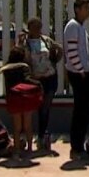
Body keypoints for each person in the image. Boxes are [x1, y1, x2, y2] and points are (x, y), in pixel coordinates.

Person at [18, 17, 61, 153]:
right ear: (29, 28)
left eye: (39, 27)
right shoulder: (25, 43)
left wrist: (58, 52)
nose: (37, 30)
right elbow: (19, 55)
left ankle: (42, 135)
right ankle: (27, 136)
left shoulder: (46, 40)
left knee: (45, 108)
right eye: (34, 27)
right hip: (34, 80)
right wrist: (20, 43)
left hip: (49, 78)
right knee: (31, 109)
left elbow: (57, 55)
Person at [63, 0, 89, 159]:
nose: (88, 11)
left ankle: (79, 145)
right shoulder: (73, 26)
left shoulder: (81, 27)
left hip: (83, 73)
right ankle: (76, 148)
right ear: (77, 9)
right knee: (81, 112)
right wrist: (81, 71)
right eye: (86, 8)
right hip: (78, 74)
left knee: (85, 111)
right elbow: (72, 51)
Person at [0, 46, 43, 159]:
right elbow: (27, 79)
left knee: (17, 127)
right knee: (28, 125)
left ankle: (17, 150)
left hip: (13, 98)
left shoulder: (6, 68)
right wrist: (38, 84)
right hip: (25, 98)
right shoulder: (24, 67)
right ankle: (29, 149)